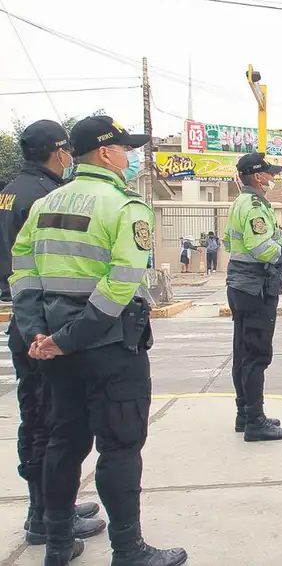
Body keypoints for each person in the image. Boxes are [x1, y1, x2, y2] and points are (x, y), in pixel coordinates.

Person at [10, 115, 186, 565]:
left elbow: (24, 274)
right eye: (125, 149)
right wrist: (71, 338)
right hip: (108, 347)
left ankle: (57, 545)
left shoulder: (46, 204)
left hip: (53, 347)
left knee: (62, 443)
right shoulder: (125, 206)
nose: (130, 157)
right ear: (106, 153)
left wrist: (38, 334)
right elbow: (121, 282)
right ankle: (128, 549)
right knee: (120, 446)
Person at [0, 120, 107, 548]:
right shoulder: (46, 196)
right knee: (50, 419)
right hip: (42, 320)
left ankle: (49, 502)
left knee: (37, 413)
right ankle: (44, 516)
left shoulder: (11, 189)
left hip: (22, 313)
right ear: (60, 152)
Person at [222, 152, 282, 442]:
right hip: (255, 288)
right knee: (256, 354)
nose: (272, 178)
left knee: (242, 352)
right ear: (256, 176)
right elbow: (260, 247)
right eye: (269, 173)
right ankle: (255, 420)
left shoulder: (240, 202)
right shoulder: (254, 206)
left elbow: (230, 241)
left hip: (241, 285)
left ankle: (245, 413)